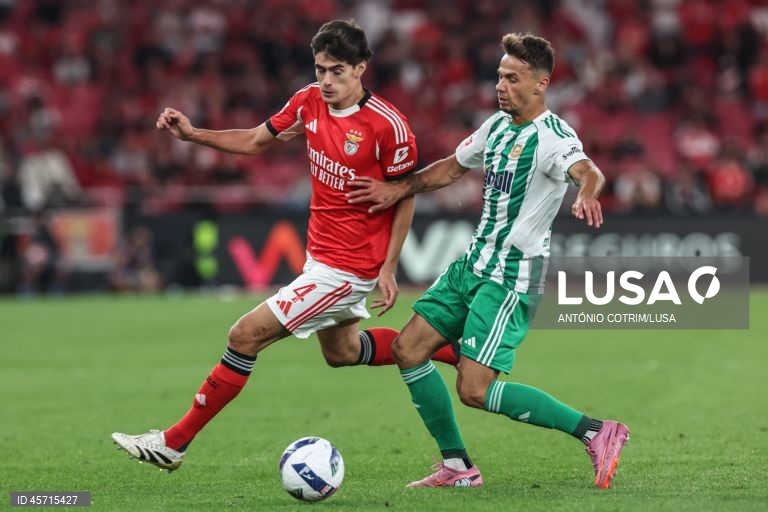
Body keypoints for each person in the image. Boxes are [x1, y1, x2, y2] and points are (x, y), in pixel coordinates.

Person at [111, 19, 457, 472]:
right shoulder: (307, 101)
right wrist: (194, 134)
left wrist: (389, 267)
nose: (327, 80)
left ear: (361, 68)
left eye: (337, 70)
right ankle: (455, 348)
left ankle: (174, 442)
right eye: (320, 70)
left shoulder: (388, 126)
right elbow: (256, 140)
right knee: (343, 353)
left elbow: (404, 194)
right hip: (320, 256)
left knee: (244, 334)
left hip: (349, 268)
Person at [347, 33, 629, 490]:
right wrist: (400, 189)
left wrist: (586, 194)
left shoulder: (554, 137)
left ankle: (596, 431)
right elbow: (452, 167)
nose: (501, 85)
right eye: (499, 75)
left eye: (512, 78)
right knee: (408, 348)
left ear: (541, 84)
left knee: (474, 390)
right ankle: (458, 467)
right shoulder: (496, 126)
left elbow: (589, 172)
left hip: (510, 277)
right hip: (473, 264)